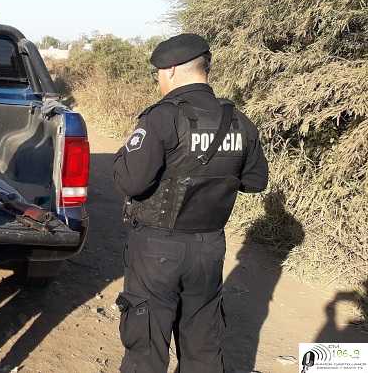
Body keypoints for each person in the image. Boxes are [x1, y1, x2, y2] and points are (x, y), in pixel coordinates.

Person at [112, 33, 269, 373]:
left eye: (158, 73)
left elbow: (130, 182)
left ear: (169, 70)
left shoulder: (162, 118)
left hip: (157, 248)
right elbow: (255, 182)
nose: (158, 80)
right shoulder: (239, 121)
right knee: (203, 342)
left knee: (147, 344)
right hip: (209, 247)